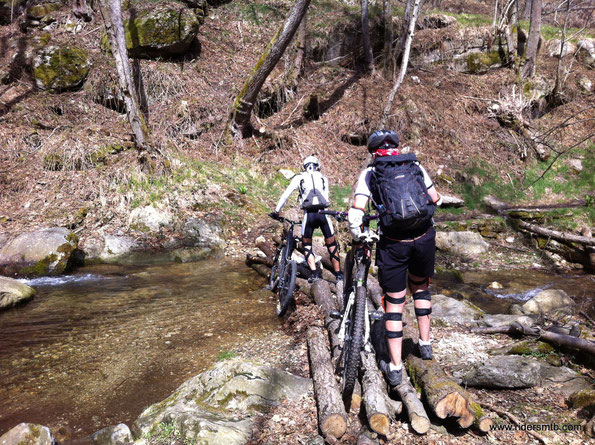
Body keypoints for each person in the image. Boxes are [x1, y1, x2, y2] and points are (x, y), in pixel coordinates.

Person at [347, 130, 442, 386]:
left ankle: (396, 368)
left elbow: (357, 211)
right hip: (424, 238)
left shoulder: (371, 172)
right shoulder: (414, 165)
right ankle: (425, 345)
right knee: (421, 287)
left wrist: (360, 235)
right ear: (396, 147)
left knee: (395, 302)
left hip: (394, 244)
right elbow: (435, 199)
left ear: (373, 150)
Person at [269, 155, 343, 283]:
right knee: (332, 245)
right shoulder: (323, 178)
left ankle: (314, 274)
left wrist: (276, 211)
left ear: (305, 166)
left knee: (306, 245)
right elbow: (326, 198)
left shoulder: (299, 178)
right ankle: (339, 275)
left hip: (309, 215)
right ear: (317, 166)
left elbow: (286, 194)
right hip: (324, 213)